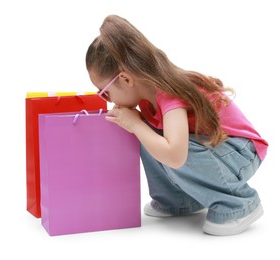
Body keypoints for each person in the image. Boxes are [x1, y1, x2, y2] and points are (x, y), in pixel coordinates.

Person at [85, 15, 268, 236]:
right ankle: (179, 201)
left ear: (125, 79)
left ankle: (238, 205)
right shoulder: (146, 98)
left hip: (240, 152)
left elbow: (175, 155)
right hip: (216, 148)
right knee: (146, 132)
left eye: (104, 92)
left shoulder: (169, 94)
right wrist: (137, 125)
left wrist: (136, 125)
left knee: (156, 137)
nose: (107, 99)